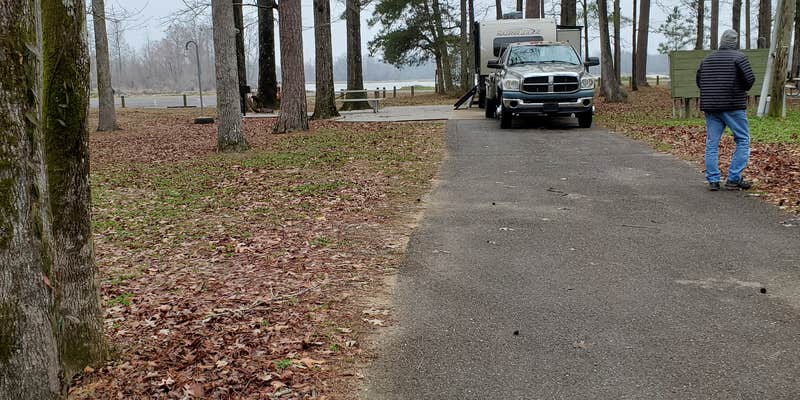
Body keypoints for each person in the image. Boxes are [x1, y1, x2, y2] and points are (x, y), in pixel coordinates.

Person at [696, 29, 756, 191]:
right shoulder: (739, 58)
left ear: (721, 41)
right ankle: (734, 178)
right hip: (733, 106)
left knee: (712, 143)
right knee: (742, 139)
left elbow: (699, 81)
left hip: (711, 107)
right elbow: (749, 80)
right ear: (734, 42)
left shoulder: (707, 59)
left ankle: (713, 180)